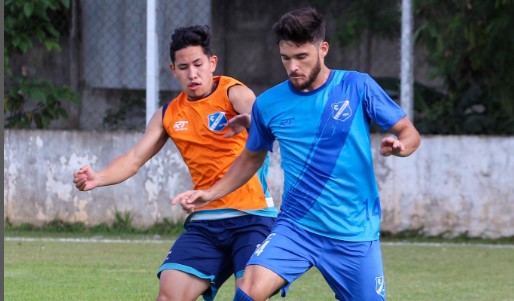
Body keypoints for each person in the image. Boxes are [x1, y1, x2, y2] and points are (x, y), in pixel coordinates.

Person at [172, 7, 421, 301]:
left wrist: (401, 146)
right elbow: (251, 159)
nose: (293, 67)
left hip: (353, 233)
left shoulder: (356, 86)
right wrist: (210, 194)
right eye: (285, 58)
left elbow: (409, 132)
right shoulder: (269, 104)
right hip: (296, 228)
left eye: (301, 57)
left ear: (322, 49)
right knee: (248, 290)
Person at [73, 25, 277, 301]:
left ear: (212, 63)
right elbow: (134, 158)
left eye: (198, 64)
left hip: (252, 217)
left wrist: (253, 121)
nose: (192, 73)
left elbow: (264, 125)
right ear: (173, 70)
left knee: (249, 295)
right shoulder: (168, 114)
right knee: (168, 297)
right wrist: (99, 178)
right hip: (206, 223)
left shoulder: (234, 93)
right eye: (183, 67)